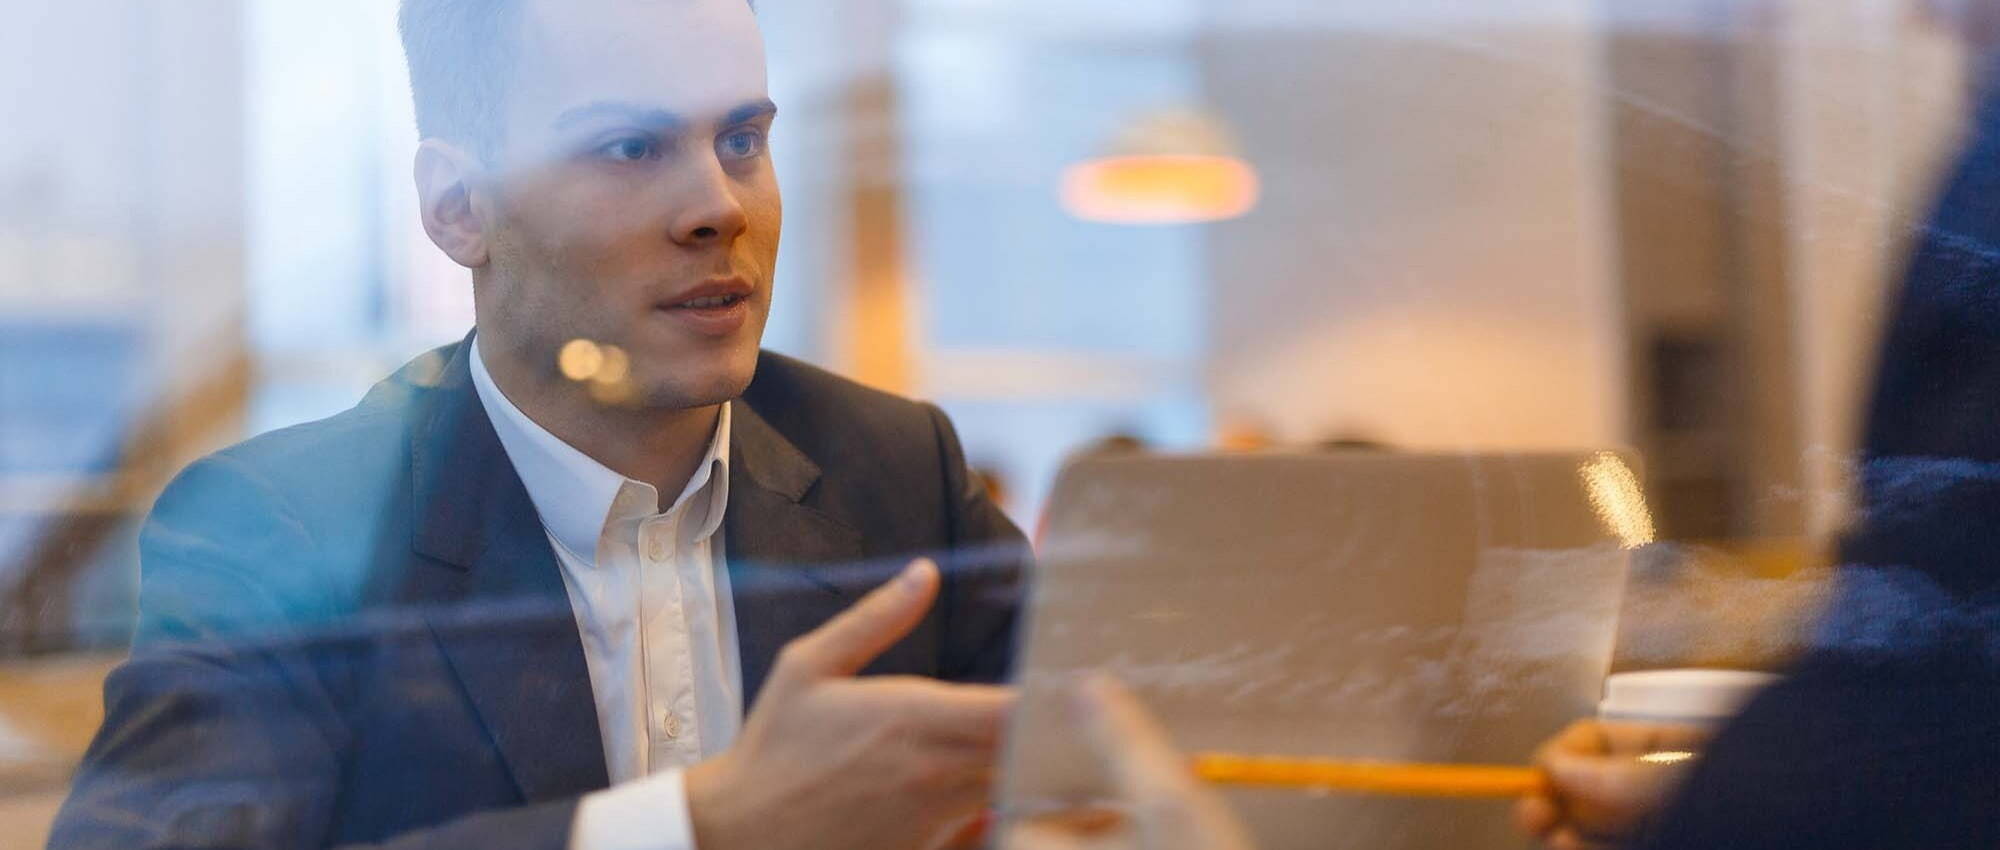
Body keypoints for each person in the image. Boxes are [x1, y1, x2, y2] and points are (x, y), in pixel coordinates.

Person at [48, 1, 1025, 849]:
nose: (717, 207)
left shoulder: (894, 466)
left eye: (740, 140)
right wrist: (698, 828)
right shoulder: (282, 530)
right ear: (458, 206)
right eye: (629, 147)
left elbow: (1112, 744)